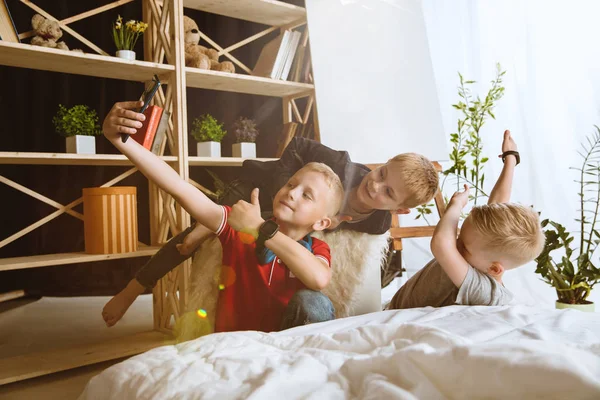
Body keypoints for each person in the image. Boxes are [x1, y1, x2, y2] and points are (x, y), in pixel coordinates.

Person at [101, 100, 440, 326]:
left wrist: (264, 229)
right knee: (196, 230)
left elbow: (320, 279)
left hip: (287, 334)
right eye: (381, 174)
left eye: (305, 194)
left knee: (315, 302)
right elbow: (179, 187)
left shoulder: (325, 245)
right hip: (255, 194)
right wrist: (123, 143)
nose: (375, 186)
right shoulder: (334, 170)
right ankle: (136, 285)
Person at [388, 130, 545, 309]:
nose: (455, 242)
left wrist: (455, 205)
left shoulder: (484, 291)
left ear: (494, 269)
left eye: (463, 246)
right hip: (391, 306)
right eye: (460, 235)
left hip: (397, 316)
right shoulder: (484, 255)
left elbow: (441, 245)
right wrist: (510, 159)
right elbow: (497, 203)